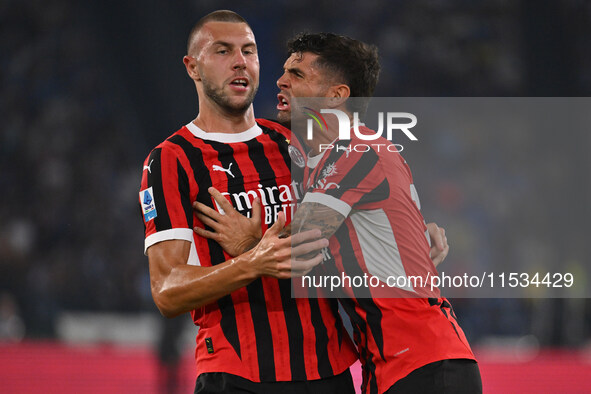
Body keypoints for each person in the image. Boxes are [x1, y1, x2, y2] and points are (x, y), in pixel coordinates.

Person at [195, 32, 481, 393]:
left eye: (298, 75)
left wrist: (249, 240)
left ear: (336, 95)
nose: (281, 81)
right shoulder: (330, 158)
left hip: (424, 363)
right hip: (390, 365)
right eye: (284, 71)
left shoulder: (355, 150)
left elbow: (299, 251)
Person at [140, 10, 359, 394]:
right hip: (237, 377)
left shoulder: (297, 145)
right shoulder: (171, 160)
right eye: (223, 51)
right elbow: (167, 290)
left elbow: (346, 249)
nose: (240, 61)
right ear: (193, 67)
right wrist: (253, 261)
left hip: (328, 372)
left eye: (249, 51)